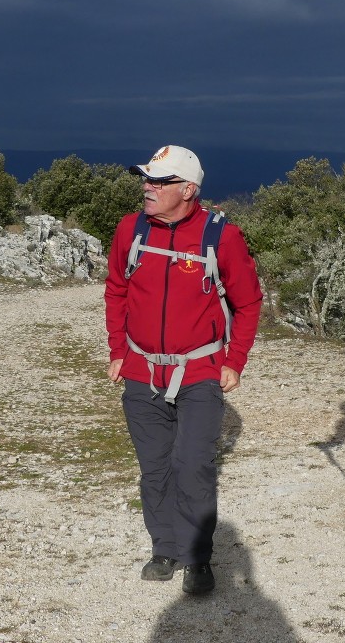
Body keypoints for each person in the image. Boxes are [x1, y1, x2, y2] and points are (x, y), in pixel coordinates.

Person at [104, 144, 263, 595]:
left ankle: (196, 556)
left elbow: (248, 302)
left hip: (200, 370)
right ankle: (164, 548)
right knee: (154, 466)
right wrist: (119, 349)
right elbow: (116, 289)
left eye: (160, 181)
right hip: (141, 369)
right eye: (147, 179)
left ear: (189, 189)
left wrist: (234, 361)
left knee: (192, 464)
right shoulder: (130, 230)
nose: (147, 188)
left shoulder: (221, 237)